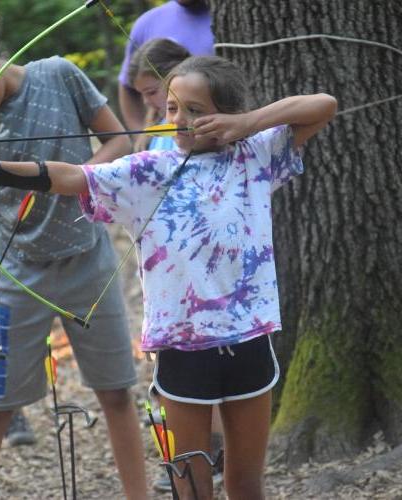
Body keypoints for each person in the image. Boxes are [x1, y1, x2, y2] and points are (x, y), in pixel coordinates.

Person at [0, 55, 337, 499]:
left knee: (246, 482)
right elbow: (72, 176)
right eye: (172, 108)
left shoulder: (255, 155)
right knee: (190, 484)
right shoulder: (147, 170)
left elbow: (323, 104)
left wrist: (246, 123)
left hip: (249, 337)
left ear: (224, 112)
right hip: (181, 346)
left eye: (194, 109)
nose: (180, 119)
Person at [0, 4, 147, 499]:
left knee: (116, 391)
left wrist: (78, 180)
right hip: (17, 273)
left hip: (87, 260)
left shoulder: (59, 75)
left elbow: (119, 140)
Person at [129, 37, 225, 493]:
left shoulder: (233, 148)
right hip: (172, 295)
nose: (151, 104)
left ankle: (216, 449)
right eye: (156, 100)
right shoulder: (160, 137)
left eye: (155, 93)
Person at [118, 0, 213, 131]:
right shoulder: (146, 23)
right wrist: (142, 134)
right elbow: (129, 85)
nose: (146, 101)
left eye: (152, 92)